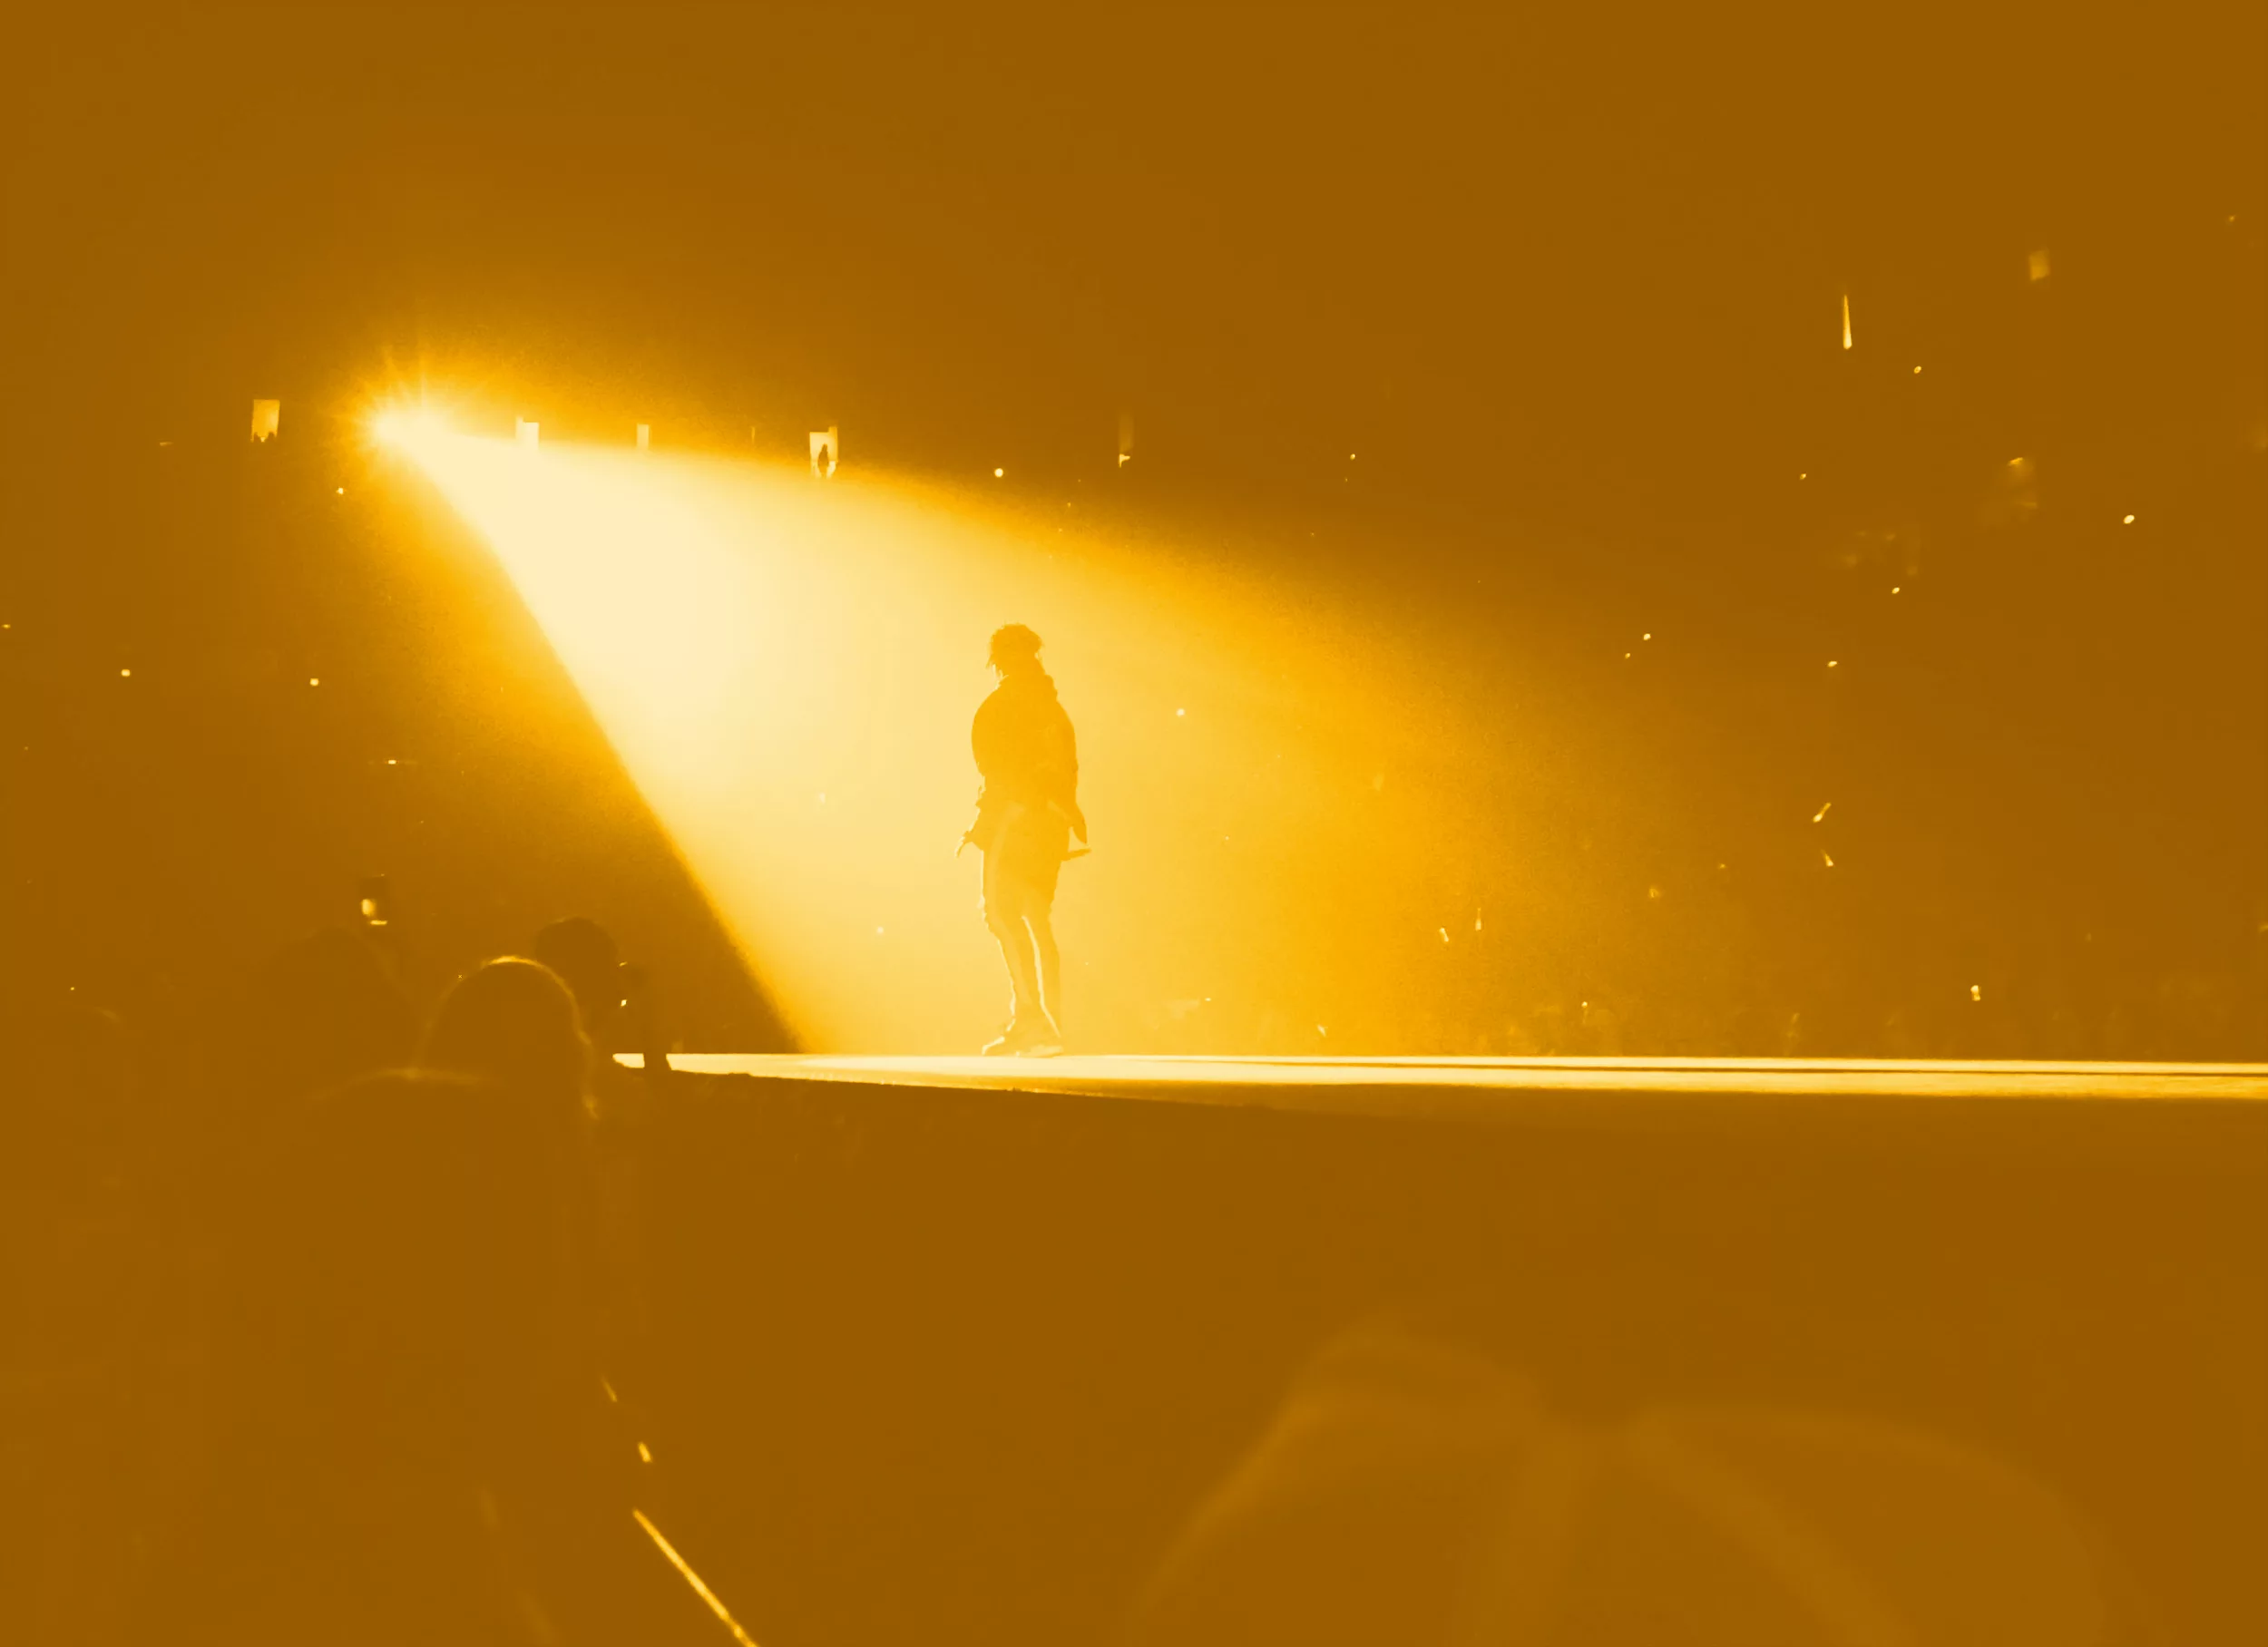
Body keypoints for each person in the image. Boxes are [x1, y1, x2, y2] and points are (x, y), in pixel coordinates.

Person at [965, 623, 1085, 1055]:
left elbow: (997, 768)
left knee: (1000, 912)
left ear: (997, 659)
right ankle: (1048, 1024)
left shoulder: (1004, 704)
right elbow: (1066, 767)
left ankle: (1033, 1020)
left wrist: (1005, 812)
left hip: (1015, 819)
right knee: (1035, 916)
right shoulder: (1052, 706)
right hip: (1050, 823)